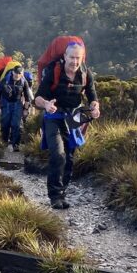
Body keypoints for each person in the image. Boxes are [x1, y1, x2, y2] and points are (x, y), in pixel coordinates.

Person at [34, 41, 100, 209]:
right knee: (58, 154)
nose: (75, 62)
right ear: (65, 56)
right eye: (72, 57)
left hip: (74, 117)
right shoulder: (53, 71)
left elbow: (92, 95)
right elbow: (38, 98)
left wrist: (95, 107)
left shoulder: (86, 73)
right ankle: (55, 196)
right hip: (53, 116)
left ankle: (62, 192)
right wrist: (47, 105)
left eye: (78, 58)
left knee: (69, 157)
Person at [0, 62, 34, 151]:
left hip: (17, 104)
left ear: (21, 74)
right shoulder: (5, 81)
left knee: (16, 125)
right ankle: (4, 142)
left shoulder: (24, 82)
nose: (17, 75)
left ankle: (15, 144)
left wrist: (26, 109)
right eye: (16, 73)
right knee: (5, 124)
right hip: (6, 103)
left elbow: (27, 97)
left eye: (19, 73)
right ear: (13, 72)